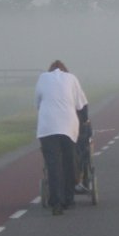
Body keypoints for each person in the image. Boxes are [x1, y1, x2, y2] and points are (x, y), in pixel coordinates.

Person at [35, 60, 88, 215]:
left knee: (53, 165)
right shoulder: (71, 78)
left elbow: (38, 103)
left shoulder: (42, 78)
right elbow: (81, 105)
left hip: (47, 127)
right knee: (68, 162)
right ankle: (69, 199)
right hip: (68, 126)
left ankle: (56, 202)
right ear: (65, 70)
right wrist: (84, 120)